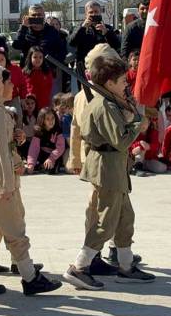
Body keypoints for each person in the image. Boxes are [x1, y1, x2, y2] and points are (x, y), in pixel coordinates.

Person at [0, 60, 62, 297]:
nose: (8, 84)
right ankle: (29, 276)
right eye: (4, 80)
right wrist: (5, 185)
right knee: (14, 226)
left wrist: (13, 137)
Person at [63, 55, 154, 291]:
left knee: (125, 218)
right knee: (106, 221)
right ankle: (79, 267)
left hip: (114, 166)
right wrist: (138, 125)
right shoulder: (103, 106)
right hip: (107, 167)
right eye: (123, 80)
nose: (126, 83)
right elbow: (121, 140)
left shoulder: (109, 101)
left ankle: (125, 266)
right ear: (110, 82)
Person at [68, 0, 120, 73]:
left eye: (96, 12)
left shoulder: (107, 28)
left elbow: (117, 45)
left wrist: (106, 32)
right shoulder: (79, 27)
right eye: (91, 12)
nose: (94, 14)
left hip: (104, 68)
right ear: (86, 14)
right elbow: (72, 43)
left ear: (100, 13)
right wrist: (82, 28)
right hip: (85, 68)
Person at [12, 4, 67, 70]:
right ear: (28, 17)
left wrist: (51, 65)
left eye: (39, 15)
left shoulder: (52, 31)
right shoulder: (25, 31)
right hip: (28, 71)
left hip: (47, 71)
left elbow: (62, 52)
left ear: (44, 16)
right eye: (33, 15)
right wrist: (23, 27)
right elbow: (16, 45)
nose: (36, 17)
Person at [0, 46, 27, 118]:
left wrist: (23, 98)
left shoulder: (15, 69)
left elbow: (23, 84)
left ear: (6, 59)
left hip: (13, 98)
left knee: (18, 116)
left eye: (2, 59)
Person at [26, 107, 65, 175]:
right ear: (42, 120)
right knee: (26, 146)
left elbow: (60, 147)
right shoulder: (38, 132)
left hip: (54, 156)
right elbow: (34, 149)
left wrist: (51, 158)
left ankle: (42, 166)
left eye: (53, 118)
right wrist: (31, 164)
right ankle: (37, 165)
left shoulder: (58, 131)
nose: (51, 121)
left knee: (50, 170)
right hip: (42, 155)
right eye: (47, 119)